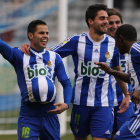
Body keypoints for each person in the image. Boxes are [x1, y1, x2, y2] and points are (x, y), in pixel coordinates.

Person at [20, 4, 130, 140]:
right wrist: (26, 48)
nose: (106, 22)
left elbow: (117, 70)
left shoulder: (113, 43)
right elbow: (49, 53)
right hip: (80, 102)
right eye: (102, 18)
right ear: (90, 21)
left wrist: (126, 94)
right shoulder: (76, 41)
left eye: (106, 18)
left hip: (104, 104)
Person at [0, 20, 72, 140]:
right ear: (30, 35)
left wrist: (67, 103)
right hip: (29, 114)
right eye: (41, 33)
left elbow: (66, 83)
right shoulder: (19, 55)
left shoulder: (54, 57)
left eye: (47, 33)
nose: (45, 36)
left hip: (50, 113)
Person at [94, 24, 140, 140]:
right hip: (137, 109)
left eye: (115, 41)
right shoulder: (131, 54)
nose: (114, 45)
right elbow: (132, 78)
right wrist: (111, 71)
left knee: (120, 137)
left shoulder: (136, 49)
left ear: (120, 39)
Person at [107, 8, 134, 140]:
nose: (115, 26)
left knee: (125, 136)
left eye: (118, 22)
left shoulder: (130, 48)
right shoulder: (99, 47)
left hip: (125, 100)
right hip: (104, 101)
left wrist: (129, 95)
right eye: (111, 23)